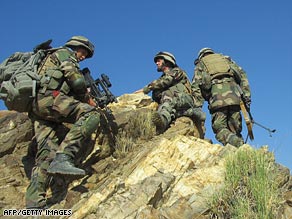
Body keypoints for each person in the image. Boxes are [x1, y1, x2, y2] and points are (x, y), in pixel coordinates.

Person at [25, 36, 101, 209]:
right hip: (50, 100)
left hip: (38, 107)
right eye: (83, 52)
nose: (83, 57)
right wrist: (87, 99)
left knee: (46, 154)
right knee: (90, 114)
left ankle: (34, 203)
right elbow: (77, 81)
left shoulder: (50, 57)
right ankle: (64, 156)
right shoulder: (65, 54)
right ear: (76, 47)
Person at [191, 47, 251, 147]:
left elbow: (196, 85)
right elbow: (242, 75)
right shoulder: (225, 59)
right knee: (235, 130)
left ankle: (239, 145)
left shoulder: (201, 63)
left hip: (217, 99)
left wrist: (197, 106)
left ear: (201, 56)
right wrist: (247, 97)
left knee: (219, 129)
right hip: (235, 97)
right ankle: (242, 152)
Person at [137, 51, 205, 134]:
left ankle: (163, 121)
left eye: (159, 60)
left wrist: (146, 89)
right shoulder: (161, 78)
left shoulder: (177, 71)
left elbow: (166, 81)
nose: (157, 63)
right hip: (173, 103)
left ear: (167, 60)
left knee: (168, 99)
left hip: (185, 99)